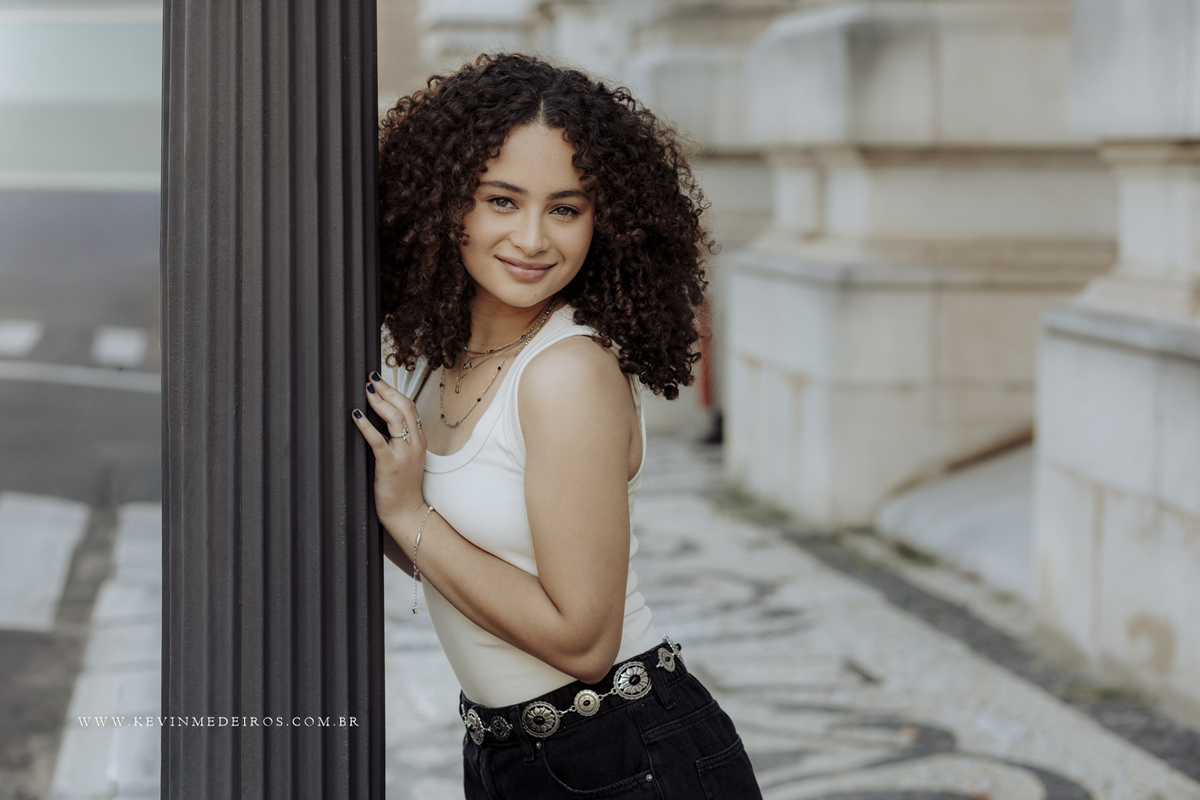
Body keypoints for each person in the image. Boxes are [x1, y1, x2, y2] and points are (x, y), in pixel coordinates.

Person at [351, 53, 762, 799]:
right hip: (512, 756)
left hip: (626, 757)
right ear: (446, 204)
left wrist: (409, 514)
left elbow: (584, 642)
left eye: (565, 209)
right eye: (502, 201)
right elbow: (457, 559)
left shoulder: (567, 372)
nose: (534, 239)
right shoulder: (427, 356)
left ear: (605, 221)